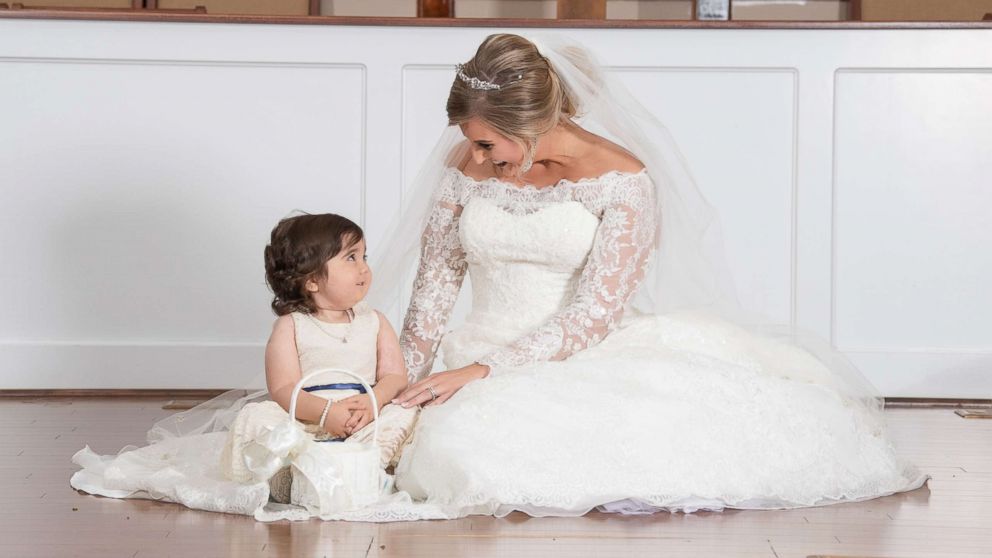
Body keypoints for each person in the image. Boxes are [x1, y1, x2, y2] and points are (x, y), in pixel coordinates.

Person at [360, 33, 929, 518]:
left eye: (487, 144)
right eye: (470, 145)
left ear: (531, 123)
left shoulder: (623, 180)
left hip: (576, 352)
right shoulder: (467, 169)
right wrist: (396, 386)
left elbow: (594, 313)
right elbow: (432, 292)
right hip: (473, 346)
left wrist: (485, 371)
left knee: (477, 454)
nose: (477, 161)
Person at [70, 213, 417, 520]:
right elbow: (284, 388)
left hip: (362, 416)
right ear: (312, 280)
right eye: (351, 258)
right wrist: (325, 414)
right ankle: (293, 474)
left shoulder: (375, 321)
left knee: (406, 414)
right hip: (307, 418)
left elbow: (394, 375)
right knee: (256, 419)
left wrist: (373, 403)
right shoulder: (293, 326)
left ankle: (370, 469)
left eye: (364, 256)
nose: (364, 268)